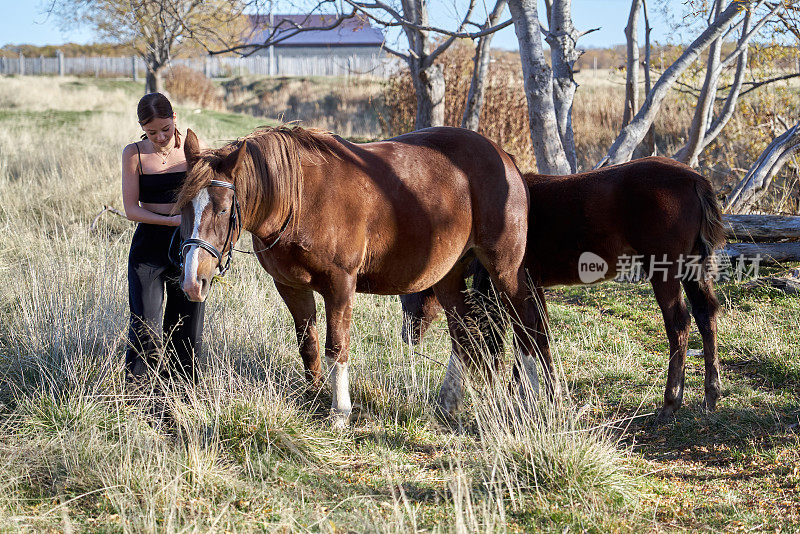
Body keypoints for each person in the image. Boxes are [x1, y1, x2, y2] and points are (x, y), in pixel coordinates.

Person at [121, 92, 206, 384]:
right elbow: (131, 209)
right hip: (149, 244)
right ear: (142, 127)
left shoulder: (195, 149)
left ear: (175, 119)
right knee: (145, 322)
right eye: (151, 132)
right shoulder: (133, 153)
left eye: (165, 129)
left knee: (187, 324)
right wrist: (168, 220)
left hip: (189, 243)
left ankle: (182, 391)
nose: (160, 137)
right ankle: (136, 394)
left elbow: (211, 197)